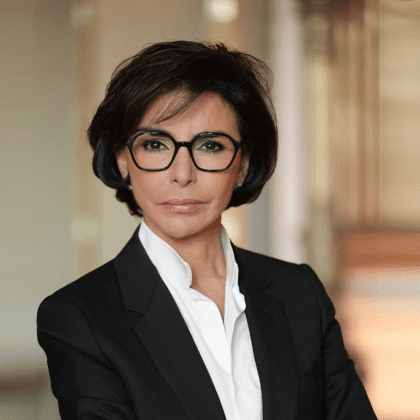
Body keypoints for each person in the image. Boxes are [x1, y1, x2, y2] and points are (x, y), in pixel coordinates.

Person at [37, 41, 377, 420]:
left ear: (243, 164)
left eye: (210, 146)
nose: (182, 174)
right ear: (122, 161)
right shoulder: (80, 317)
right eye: (155, 144)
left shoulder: (299, 293)